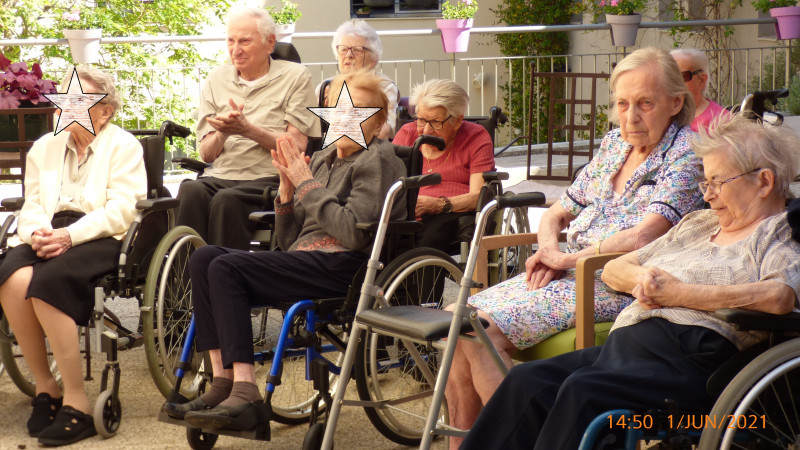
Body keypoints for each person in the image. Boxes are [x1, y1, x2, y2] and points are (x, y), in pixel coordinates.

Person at [462, 112, 800, 450]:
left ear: (764, 182)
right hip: (625, 349)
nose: (708, 195)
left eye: (717, 182)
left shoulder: (779, 233)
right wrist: (645, 279)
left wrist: (680, 293)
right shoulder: (698, 223)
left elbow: (778, 296)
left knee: (585, 389)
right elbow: (614, 269)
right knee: (527, 380)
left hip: (694, 360)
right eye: (704, 184)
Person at [445, 47, 706, 447]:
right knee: (454, 321)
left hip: (614, 282)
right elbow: (556, 213)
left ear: (675, 102)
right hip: (569, 271)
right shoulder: (614, 146)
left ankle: (519, 436)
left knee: (475, 330)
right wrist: (550, 251)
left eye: (645, 104)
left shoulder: (686, 154)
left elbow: (645, 235)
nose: (631, 117)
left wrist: (567, 258)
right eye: (622, 104)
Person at [161, 71, 407, 429]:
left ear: (378, 119)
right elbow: (290, 242)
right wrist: (287, 194)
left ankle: (246, 391)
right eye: (334, 108)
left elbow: (352, 234)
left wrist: (304, 182)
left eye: (355, 110)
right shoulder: (323, 159)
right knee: (205, 257)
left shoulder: (377, 160)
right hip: (307, 259)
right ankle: (222, 381)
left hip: (345, 266)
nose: (342, 117)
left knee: (226, 268)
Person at [0, 67, 146, 446]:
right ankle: (47, 389)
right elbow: (31, 203)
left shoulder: (124, 146)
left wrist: (69, 236)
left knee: (49, 283)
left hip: (97, 233)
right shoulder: (44, 146)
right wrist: (37, 234)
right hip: (47, 229)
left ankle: (78, 402)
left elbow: (122, 211)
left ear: (105, 110)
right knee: (12, 279)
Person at [176, 6, 320, 250]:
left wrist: (247, 130)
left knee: (225, 201)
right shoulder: (216, 78)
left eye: (244, 41)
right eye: (231, 41)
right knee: (189, 190)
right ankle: (184, 280)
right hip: (220, 175)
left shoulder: (295, 76)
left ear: (269, 43)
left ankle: (224, 279)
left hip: (268, 178)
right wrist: (224, 131)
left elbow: (297, 146)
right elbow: (206, 154)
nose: (236, 49)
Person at [392, 79, 495, 254]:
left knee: (427, 240)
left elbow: (479, 195)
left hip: (450, 213)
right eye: (421, 120)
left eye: (436, 122)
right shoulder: (407, 134)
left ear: (457, 120)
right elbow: (388, 184)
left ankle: (422, 281)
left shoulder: (475, 137)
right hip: (407, 213)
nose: (425, 131)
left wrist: (438, 205)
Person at [317, 19, 399, 139]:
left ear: (374, 59)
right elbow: (311, 128)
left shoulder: (385, 87)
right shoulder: (325, 87)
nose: (348, 55)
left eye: (357, 49)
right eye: (343, 49)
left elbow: (385, 131)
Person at [671, 48, 729, 132]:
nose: (674, 83)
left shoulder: (722, 123)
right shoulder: (663, 117)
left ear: (701, 80)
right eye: (670, 77)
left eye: (683, 76)